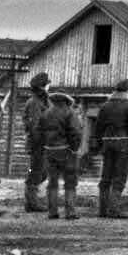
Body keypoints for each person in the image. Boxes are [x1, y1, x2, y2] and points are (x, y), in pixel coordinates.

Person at [92, 76, 128, 220]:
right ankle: (113, 209)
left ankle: (102, 209)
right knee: (119, 177)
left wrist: (97, 143)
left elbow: (98, 127)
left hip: (107, 143)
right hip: (123, 143)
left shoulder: (105, 106)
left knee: (106, 177)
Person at [35, 88, 86, 220]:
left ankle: (52, 212)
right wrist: (74, 148)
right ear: (66, 100)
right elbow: (76, 133)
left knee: (52, 182)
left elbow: (38, 133)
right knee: (70, 181)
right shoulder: (70, 113)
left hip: (49, 151)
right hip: (66, 151)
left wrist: (45, 146)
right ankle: (70, 212)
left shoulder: (45, 114)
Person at [21, 73, 52, 212]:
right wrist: (41, 141)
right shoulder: (34, 102)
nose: (50, 87)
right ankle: (31, 203)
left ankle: (32, 200)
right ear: (43, 86)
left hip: (43, 143)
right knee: (36, 172)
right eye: (48, 84)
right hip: (38, 143)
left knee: (42, 172)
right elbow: (35, 126)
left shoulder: (43, 101)